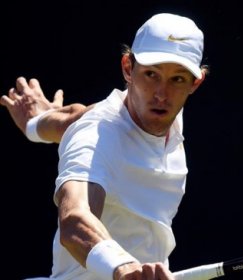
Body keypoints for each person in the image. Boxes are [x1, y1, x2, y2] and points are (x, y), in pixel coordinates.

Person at [1, 13, 208, 280]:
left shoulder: (161, 113)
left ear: (196, 82)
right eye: (151, 74)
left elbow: (74, 115)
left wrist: (35, 124)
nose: (161, 93)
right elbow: (75, 219)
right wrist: (123, 267)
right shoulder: (98, 136)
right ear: (127, 67)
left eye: (177, 79)